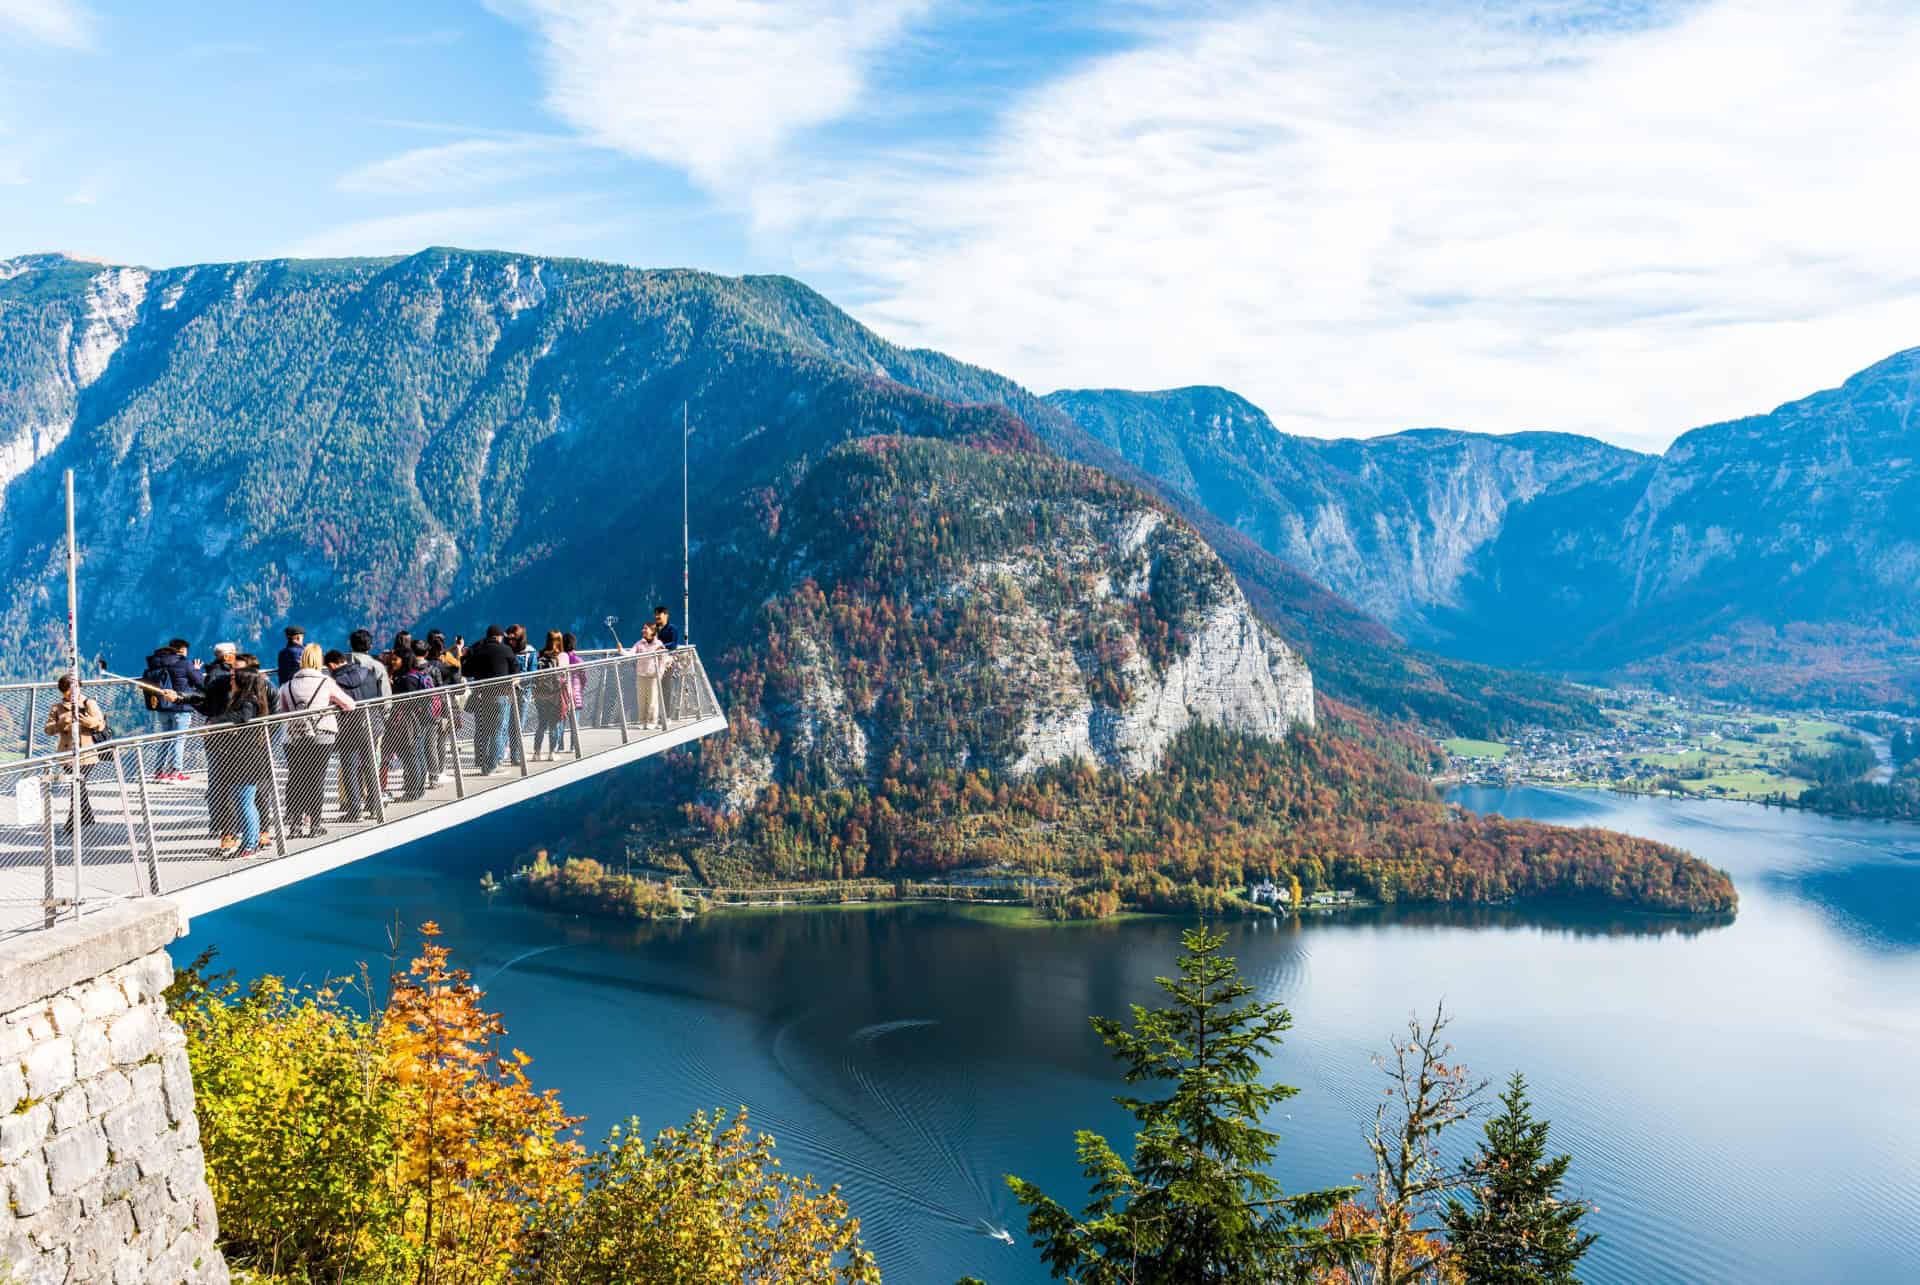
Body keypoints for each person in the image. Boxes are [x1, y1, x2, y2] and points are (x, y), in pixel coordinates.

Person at [277, 643, 355, 839]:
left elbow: (281, 711)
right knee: (316, 778)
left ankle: (294, 825)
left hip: (294, 738)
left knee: (295, 778)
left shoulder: (287, 685)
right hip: (322, 736)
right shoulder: (326, 683)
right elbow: (349, 705)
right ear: (319, 661)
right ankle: (314, 824)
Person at [210, 668, 276, 858]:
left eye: (233, 679)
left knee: (245, 803)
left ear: (241, 682)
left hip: (245, 760)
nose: (230, 682)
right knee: (245, 803)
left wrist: (216, 721)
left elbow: (244, 717)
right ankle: (250, 843)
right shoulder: (252, 699)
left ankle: (250, 845)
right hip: (243, 758)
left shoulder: (248, 701)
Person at [44, 675, 106, 833]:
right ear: (63, 691)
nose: (71, 693)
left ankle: (73, 822)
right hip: (67, 754)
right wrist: (63, 721)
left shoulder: (88, 703)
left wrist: (84, 720)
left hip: (87, 753)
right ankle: (87, 816)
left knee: (77, 785)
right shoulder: (56, 707)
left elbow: (99, 724)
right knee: (79, 785)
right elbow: (48, 730)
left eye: (75, 688)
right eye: (67, 690)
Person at [329, 649, 383, 822]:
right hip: (371, 723)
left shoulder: (335, 682)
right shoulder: (368, 673)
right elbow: (379, 696)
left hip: (348, 727)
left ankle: (355, 810)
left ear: (331, 665)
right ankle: (375, 806)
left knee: (349, 768)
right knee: (370, 765)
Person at [142, 638, 204, 781]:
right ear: (182, 650)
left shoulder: (155, 663)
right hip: (181, 707)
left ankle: (159, 772)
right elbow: (199, 682)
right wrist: (196, 670)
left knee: (165, 739)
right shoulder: (184, 663)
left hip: (162, 706)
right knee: (179, 740)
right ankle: (176, 772)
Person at [461, 625, 516, 775]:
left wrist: (465, 656)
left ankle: (484, 764)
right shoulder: (506, 650)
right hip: (501, 695)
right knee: (498, 731)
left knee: (485, 731)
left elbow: (466, 671)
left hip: (482, 696)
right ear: (498, 637)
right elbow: (515, 671)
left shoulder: (478, 651)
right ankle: (493, 765)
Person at [388, 645, 436, 800]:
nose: (393, 661)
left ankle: (413, 791)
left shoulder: (406, 679)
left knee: (411, 756)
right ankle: (418, 789)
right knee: (418, 753)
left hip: (408, 722)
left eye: (396, 659)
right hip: (419, 720)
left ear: (404, 660)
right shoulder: (417, 674)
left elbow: (404, 702)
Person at [532, 631, 573, 760]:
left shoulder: (540, 654)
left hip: (540, 694)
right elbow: (566, 677)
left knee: (541, 724)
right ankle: (551, 753)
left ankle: (536, 753)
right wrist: (569, 695)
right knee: (554, 725)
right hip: (555, 695)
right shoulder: (562, 656)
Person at [631, 622, 666, 730]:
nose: (643, 630)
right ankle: (642, 721)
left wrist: (659, 673)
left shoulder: (658, 644)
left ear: (652, 631)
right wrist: (621, 650)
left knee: (652, 700)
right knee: (641, 699)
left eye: (646, 628)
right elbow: (631, 653)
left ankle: (652, 722)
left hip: (653, 676)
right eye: (643, 628)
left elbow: (663, 659)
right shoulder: (639, 643)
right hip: (641, 675)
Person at [349, 629, 393, 700]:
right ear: (370, 646)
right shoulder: (377, 666)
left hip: (348, 708)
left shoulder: (343, 663)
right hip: (372, 707)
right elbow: (385, 692)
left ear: (351, 645)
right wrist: (387, 708)